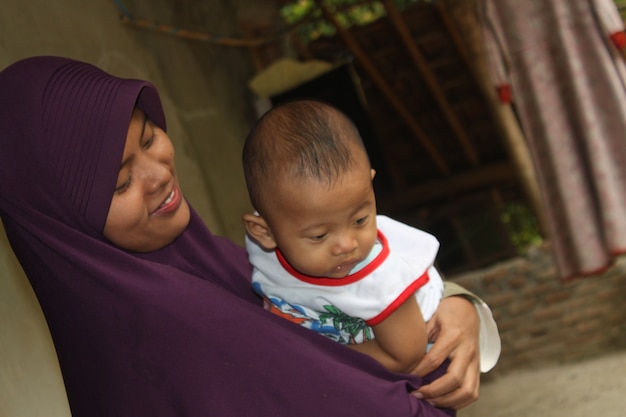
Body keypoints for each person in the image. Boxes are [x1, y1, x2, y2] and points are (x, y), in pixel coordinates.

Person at [0, 56, 496, 417]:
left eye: (150, 137)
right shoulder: (172, 333)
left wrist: (456, 308)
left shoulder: (212, 259)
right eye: (121, 181)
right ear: (63, 224)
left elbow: (353, 290)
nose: (159, 175)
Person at [242, 100, 446, 376]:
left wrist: (314, 361)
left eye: (360, 220)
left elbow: (404, 355)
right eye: (319, 236)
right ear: (264, 232)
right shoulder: (267, 244)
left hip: (416, 364)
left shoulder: (380, 278)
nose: (347, 245)